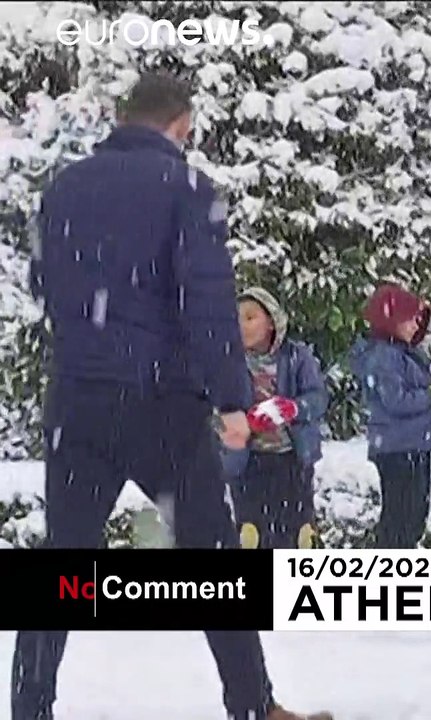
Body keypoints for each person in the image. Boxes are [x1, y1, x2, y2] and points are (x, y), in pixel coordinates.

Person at [15, 73, 327, 720]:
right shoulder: (186, 189)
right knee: (213, 559)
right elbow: (207, 303)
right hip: (162, 405)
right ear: (182, 122)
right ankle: (253, 705)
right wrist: (234, 400)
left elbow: (45, 283)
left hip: (78, 400)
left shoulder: (65, 188)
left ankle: (30, 709)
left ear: (122, 118)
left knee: (63, 563)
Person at [348, 283, 431, 548]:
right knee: (401, 520)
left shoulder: (401, 353)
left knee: (412, 518)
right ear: (391, 321)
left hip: (411, 446)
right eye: (410, 319)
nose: (416, 325)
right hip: (399, 449)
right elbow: (396, 401)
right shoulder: (385, 357)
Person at [225, 286, 329, 550]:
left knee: (298, 534)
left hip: (291, 460)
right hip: (248, 464)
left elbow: (318, 398)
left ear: (271, 322)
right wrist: (243, 422)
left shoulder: (297, 357)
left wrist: (294, 408)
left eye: (250, 318)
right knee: (251, 534)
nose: (241, 325)